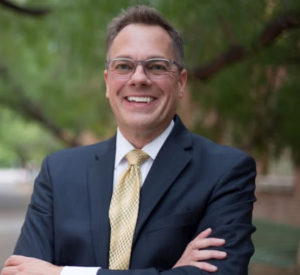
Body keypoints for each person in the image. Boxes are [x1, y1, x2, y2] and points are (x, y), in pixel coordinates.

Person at [1, 5, 256, 275]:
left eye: (156, 66)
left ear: (181, 83)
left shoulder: (226, 171)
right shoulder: (58, 172)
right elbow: (23, 272)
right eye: (124, 66)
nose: (138, 78)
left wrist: (62, 273)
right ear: (107, 82)